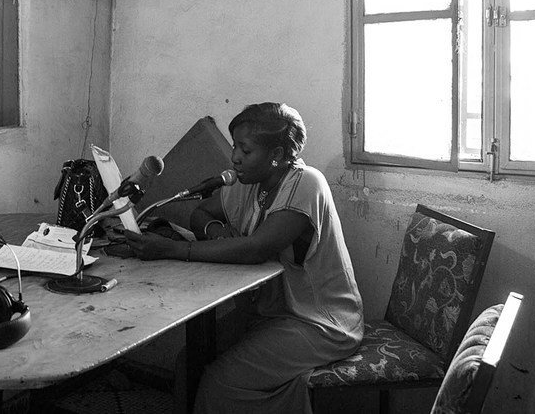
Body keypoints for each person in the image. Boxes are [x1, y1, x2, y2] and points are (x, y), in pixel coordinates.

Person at [124, 102, 363, 414]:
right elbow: (201, 213)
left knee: (219, 381)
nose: (235, 156)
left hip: (317, 322)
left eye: (245, 150)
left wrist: (172, 250)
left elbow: (255, 249)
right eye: (235, 146)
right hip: (268, 314)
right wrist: (217, 234)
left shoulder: (306, 183)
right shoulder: (249, 183)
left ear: (277, 155)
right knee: (189, 362)